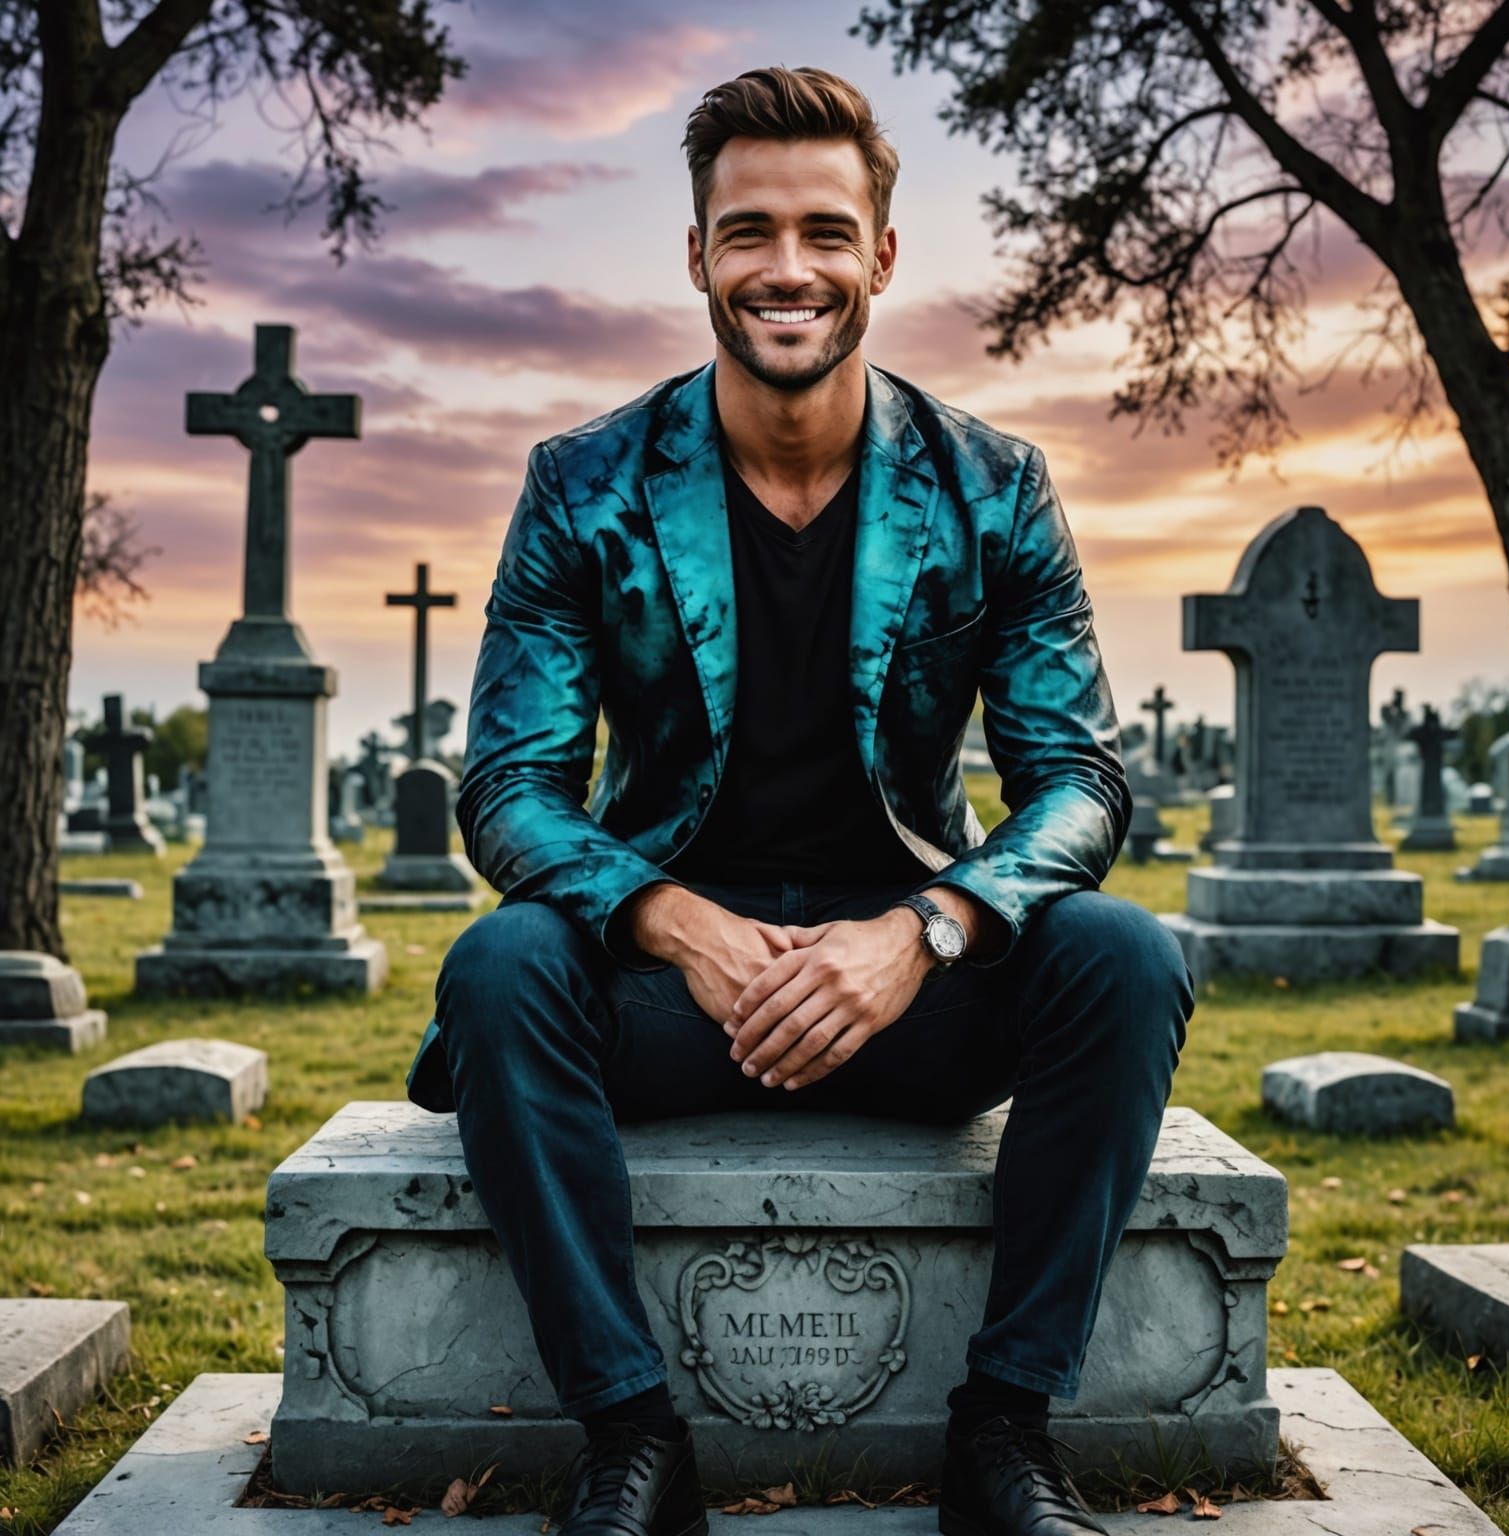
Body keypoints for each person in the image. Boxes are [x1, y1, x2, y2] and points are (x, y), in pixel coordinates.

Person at [405, 64, 1193, 1536]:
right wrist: (668, 920)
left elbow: (1078, 781)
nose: (788, 269)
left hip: (915, 1000)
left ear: (882, 257)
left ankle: (1007, 1434)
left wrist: (931, 927)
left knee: (1128, 956)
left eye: (826, 232)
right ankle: (633, 1442)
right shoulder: (583, 486)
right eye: (747, 230)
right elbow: (509, 788)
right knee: (499, 968)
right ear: (697, 255)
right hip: (670, 996)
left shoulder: (994, 487)